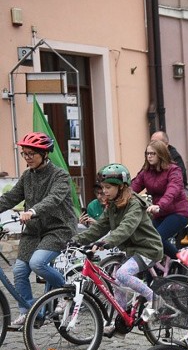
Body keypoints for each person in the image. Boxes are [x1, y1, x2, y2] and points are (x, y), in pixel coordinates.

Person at [72, 164, 164, 336]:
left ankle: (155, 300)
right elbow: (99, 227)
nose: (104, 191)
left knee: (122, 274)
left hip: (148, 249)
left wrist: (106, 242)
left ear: (120, 187)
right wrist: (75, 240)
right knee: (117, 282)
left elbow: (126, 228)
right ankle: (120, 318)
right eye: (102, 187)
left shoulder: (134, 204)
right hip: (131, 250)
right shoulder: (113, 205)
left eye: (108, 187)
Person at [0, 132, 77, 328]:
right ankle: (28, 312)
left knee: (37, 263)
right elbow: (10, 198)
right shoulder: (27, 176)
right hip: (34, 232)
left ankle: (66, 293)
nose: (27, 158)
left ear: (44, 154)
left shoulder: (60, 175)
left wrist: (33, 210)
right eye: (24, 154)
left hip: (58, 228)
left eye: (31, 154)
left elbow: (54, 199)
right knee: (18, 270)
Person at [131, 139, 188, 259]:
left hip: (178, 213)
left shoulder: (173, 170)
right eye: (147, 153)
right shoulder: (146, 172)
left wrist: (160, 205)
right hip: (159, 213)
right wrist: (118, 199)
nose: (149, 156)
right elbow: (133, 187)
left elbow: (172, 190)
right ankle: (152, 276)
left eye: (152, 153)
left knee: (157, 239)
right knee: (146, 240)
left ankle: (181, 262)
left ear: (161, 154)